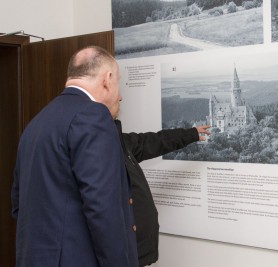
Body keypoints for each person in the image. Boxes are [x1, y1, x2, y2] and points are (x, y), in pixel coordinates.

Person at [11, 46, 139, 266]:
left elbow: (18, 204)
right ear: (108, 79)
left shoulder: (37, 123)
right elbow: (103, 210)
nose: (120, 95)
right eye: (119, 83)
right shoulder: (93, 116)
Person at [115, 120, 210, 267]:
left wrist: (191, 133)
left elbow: (154, 141)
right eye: (116, 95)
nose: (120, 98)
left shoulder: (120, 142)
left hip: (135, 254)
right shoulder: (100, 148)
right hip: (123, 255)